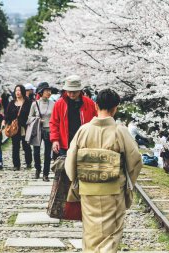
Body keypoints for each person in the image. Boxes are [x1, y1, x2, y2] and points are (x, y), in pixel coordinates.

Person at [65, 89, 142, 253]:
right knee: (111, 234)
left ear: (95, 105)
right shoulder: (120, 131)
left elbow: (70, 162)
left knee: (90, 232)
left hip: (87, 191)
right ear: (116, 108)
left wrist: (77, 180)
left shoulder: (83, 130)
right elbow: (135, 161)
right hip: (113, 191)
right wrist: (127, 183)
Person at [49, 75, 97, 156]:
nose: (71, 94)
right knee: (65, 167)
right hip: (65, 143)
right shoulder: (59, 104)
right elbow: (54, 123)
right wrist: (55, 140)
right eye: (69, 91)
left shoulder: (89, 103)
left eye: (74, 91)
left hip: (84, 143)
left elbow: (96, 121)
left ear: (80, 90)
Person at [28, 82, 55, 181]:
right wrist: (38, 120)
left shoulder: (53, 104)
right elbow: (29, 118)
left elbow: (56, 118)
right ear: (41, 92)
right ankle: (37, 169)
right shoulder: (35, 104)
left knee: (48, 153)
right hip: (37, 130)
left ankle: (46, 174)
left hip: (49, 130)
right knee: (36, 152)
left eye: (49, 90)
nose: (49, 92)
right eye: (46, 90)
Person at [3, 85, 32, 170]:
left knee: (26, 146)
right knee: (15, 146)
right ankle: (16, 165)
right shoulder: (11, 103)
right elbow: (7, 114)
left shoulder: (28, 102)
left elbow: (31, 114)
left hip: (24, 127)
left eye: (19, 90)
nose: (17, 92)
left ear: (22, 91)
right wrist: (4, 121)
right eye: (16, 91)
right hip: (14, 128)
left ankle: (28, 162)